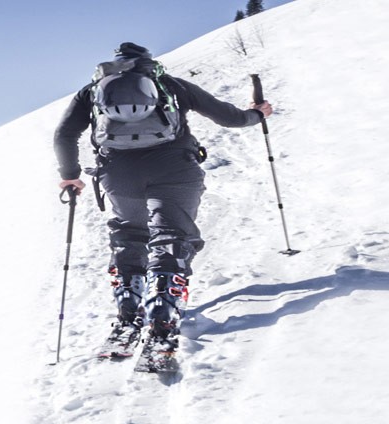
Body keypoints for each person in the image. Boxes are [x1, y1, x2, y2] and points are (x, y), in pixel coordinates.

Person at [52, 42, 273, 370]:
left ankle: (128, 314)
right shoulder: (171, 85)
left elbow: (63, 135)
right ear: (148, 62)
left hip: (118, 174)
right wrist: (257, 114)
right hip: (174, 169)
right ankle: (162, 316)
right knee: (171, 237)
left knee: (129, 235)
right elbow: (229, 118)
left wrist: (71, 176)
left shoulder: (92, 91)